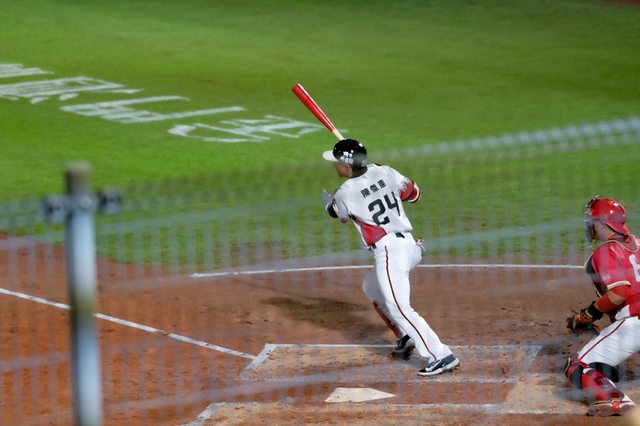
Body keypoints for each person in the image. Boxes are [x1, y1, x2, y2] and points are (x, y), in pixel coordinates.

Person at [321, 138, 459, 376]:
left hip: (389, 253)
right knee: (372, 288)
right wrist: (379, 176)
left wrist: (329, 204)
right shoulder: (385, 171)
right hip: (410, 247)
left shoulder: (345, 192)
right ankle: (405, 335)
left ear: (346, 165)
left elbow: (338, 214)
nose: (334, 165)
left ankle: (441, 355)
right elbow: (414, 194)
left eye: (336, 162)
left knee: (398, 307)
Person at [565, 196, 640, 416]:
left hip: (634, 327)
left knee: (577, 365)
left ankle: (615, 399)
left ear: (602, 223)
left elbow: (618, 293)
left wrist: (587, 315)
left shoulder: (606, 252)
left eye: (592, 221)